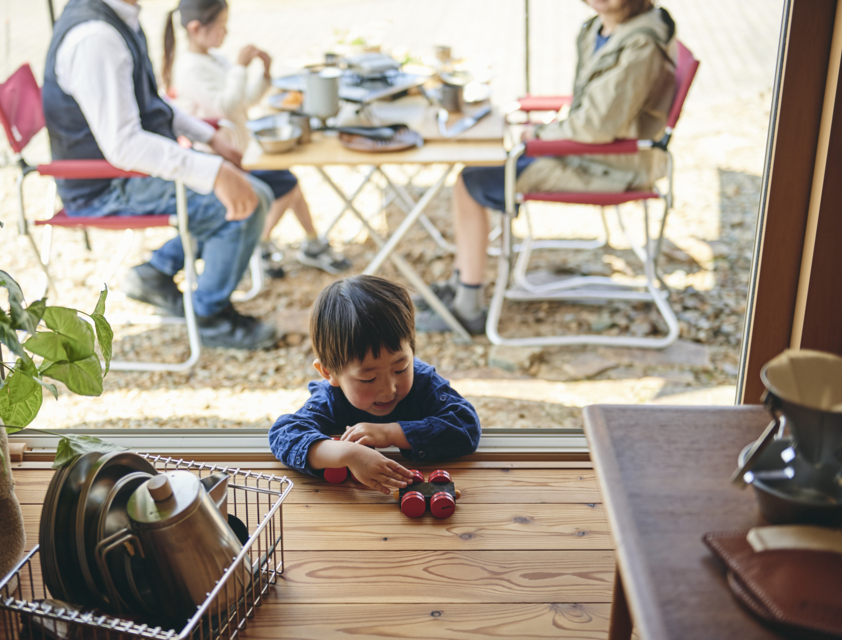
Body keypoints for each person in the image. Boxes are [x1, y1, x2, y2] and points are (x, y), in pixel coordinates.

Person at [415, 0, 678, 334]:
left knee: (470, 183)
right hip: (595, 149)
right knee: (478, 171)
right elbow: (594, 109)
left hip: (612, 164)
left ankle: (467, 306)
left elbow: (598, 126)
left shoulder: (641, 43)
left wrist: (542, 133)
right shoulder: (600, 28)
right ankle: (459, 283)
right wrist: (549, 128)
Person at [42, 0, 278, 350]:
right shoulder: (96, 37)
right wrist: (213, 172)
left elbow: (151, 103)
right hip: (108, 184)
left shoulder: (116, 19)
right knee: (250, 204)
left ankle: (154, 272)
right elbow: (123, 146)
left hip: (128, 171)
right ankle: (209, 317)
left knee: (256, 194)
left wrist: (208, 136)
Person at [162, 0, 351, 280]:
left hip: (241, 151)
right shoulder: (190, 68)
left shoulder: (214, 59)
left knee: (288, 180)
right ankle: (260, 245)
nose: (225, 33)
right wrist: (239, 67)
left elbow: (245, 100)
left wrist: (263, 73)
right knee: (287, 183)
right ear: (196, 28)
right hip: (221, 160)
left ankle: (311, 242)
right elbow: (224, 106)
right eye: (221, 26)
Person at [268, 275, 481, 494]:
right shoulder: (331, 396)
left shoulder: (423, 382)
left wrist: (390, 433)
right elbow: (284, 435)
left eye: (400, 369)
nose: (389, 389)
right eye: (368, 378)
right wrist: (348, 454)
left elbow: (465, 425)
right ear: (329, 373)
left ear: (412, 352)